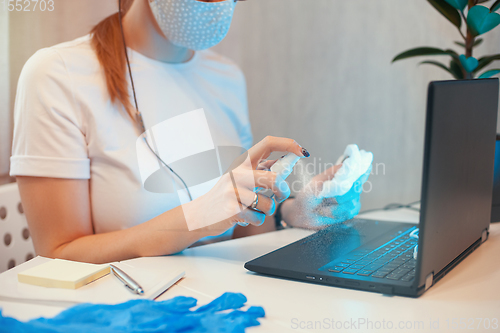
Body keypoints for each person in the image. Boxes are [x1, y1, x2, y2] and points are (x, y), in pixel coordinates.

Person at [10, 0, 365, 264]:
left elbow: (241, 229)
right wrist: (196, 218)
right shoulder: (57, 75)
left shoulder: (226, 78)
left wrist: (291, 213)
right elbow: (57, 254)